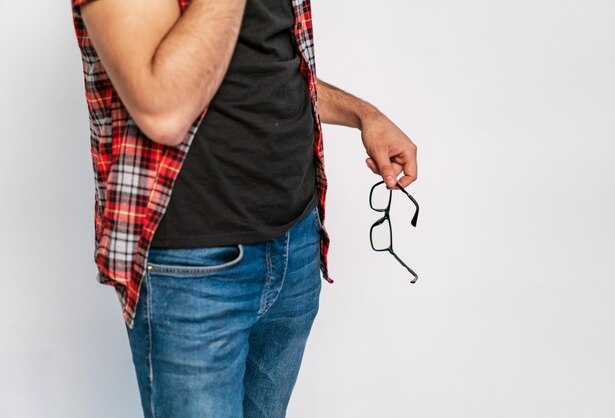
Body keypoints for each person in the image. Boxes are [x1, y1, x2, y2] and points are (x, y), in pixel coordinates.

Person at [70, 0, 418, 416]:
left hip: (295, 244)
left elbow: (264, 64)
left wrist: (364, 115)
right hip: (194, 267)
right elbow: (162, 109)